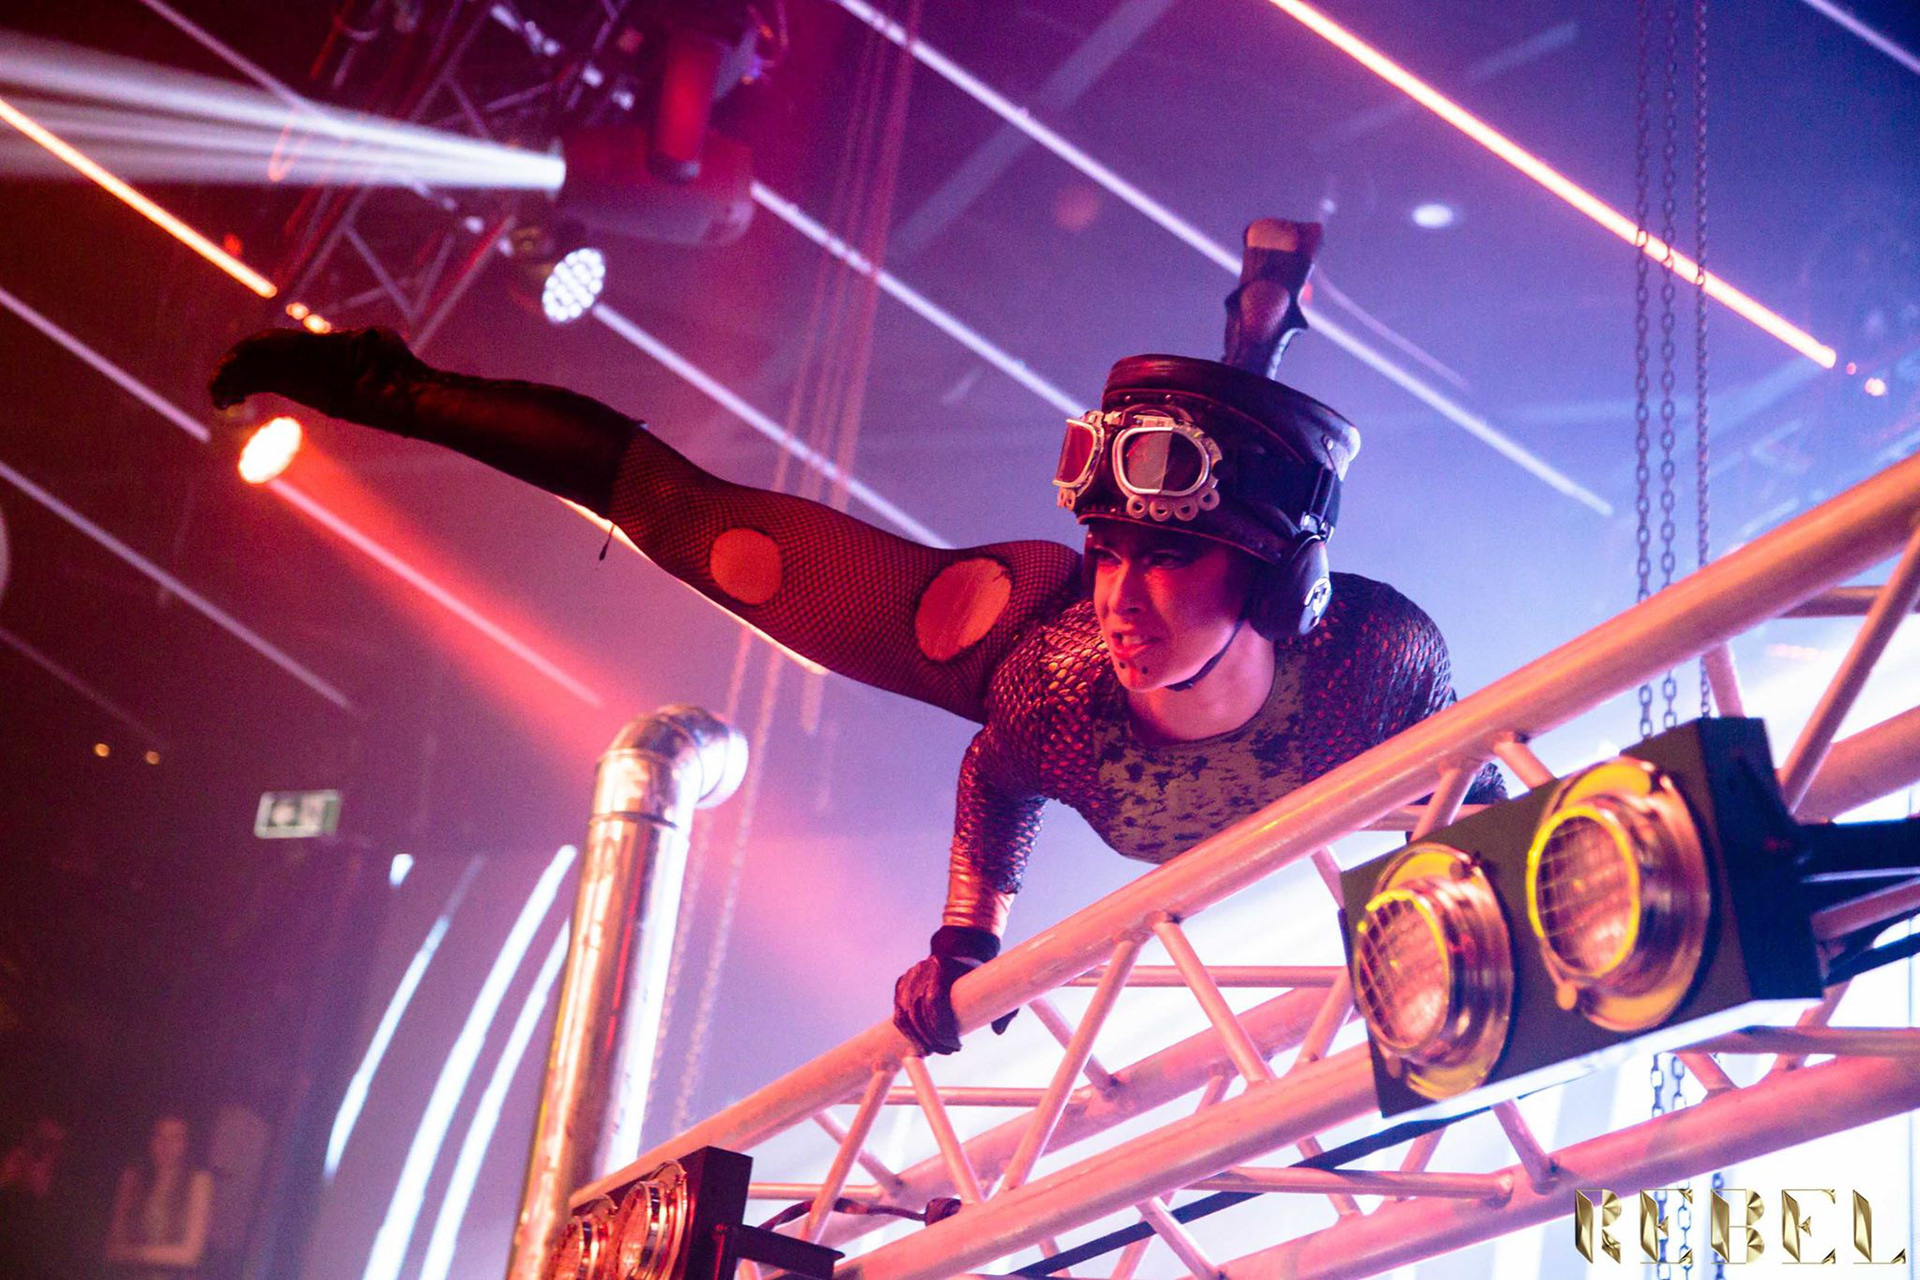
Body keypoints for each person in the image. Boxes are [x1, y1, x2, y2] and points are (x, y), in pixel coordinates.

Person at [210, 218, 1501, 1058]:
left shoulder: (1379, 664)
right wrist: (966, 935)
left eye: (1163, 562)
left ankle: (1254, 333)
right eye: (1109, 555)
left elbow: (1481, 805)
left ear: (1284, 588)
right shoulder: (1056, 683)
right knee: (696, 529)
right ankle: (388, 380)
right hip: (1002, 616)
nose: (1120, 601)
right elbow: (997, 769)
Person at [104, 1114, 214, 1279]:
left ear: (187, 1143)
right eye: (159, 1136)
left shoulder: (198, 1181)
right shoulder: (133, 1178)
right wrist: (127, 1253)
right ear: (149, 1140)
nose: (166, 1145)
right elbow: (113, 1246)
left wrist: (134, 1253)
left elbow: (190, 1254)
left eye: (176, 1138)